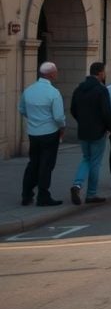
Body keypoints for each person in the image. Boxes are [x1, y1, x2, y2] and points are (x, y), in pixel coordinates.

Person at [20, 62, 66, 206]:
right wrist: (62, 127)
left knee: (33, 163)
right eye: (56, 72)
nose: (57, 74)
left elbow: (22, 109)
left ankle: (26, 194)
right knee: (46, 165)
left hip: (33, 133)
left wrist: (34, 119)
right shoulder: (53, 92)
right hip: (50, 132)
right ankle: (43, 195)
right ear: (51, 74)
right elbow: (58, 117)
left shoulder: (29, 90)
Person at [69, 62, 111, 205]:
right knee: (95, 162)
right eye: (104, 72)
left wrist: (81, 120)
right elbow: (106, 112)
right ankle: (91, 194)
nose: (104, 74)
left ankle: (77, 184)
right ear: (100, 73)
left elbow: (73, 109)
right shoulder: (101, 90)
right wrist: (109, 127)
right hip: (98, 130)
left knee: (86, 158)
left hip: (83, 129)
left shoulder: (79, 89)